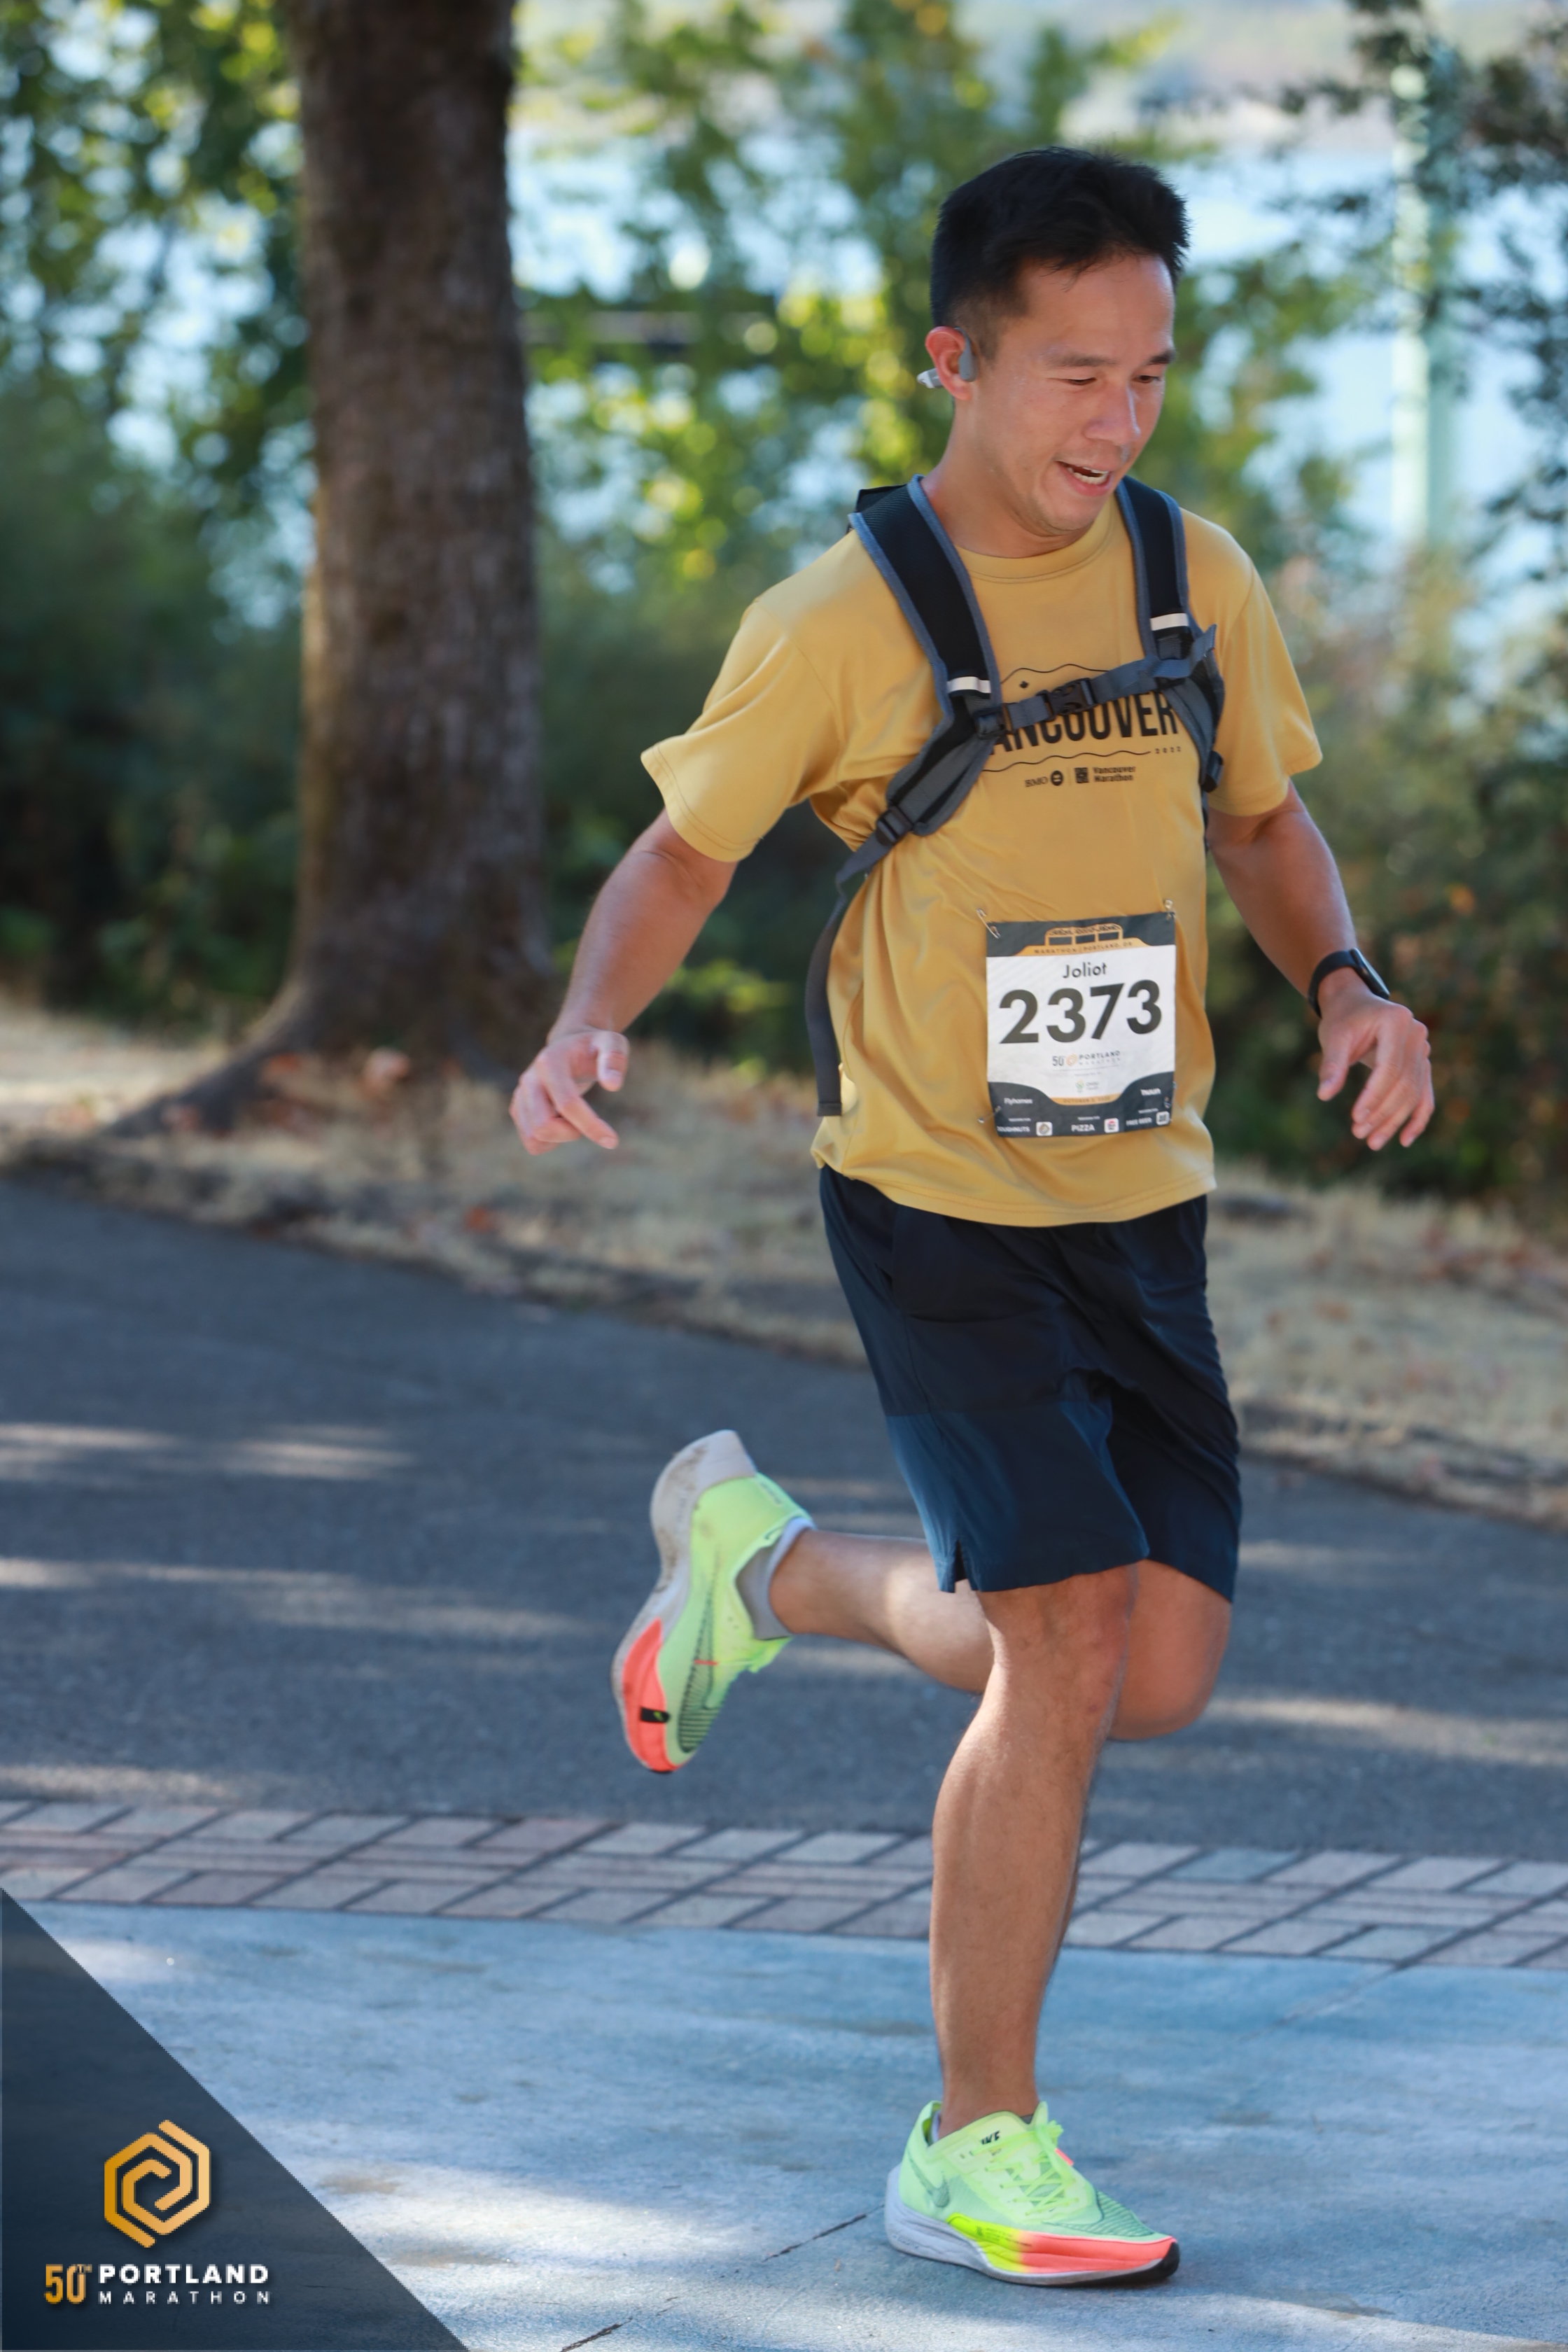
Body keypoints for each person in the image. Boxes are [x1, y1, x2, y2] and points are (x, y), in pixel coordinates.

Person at [511, 147, 1434, 2288]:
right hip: (933, 1198)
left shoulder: (1192, 577)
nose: (1118, 420)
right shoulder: (843, 619)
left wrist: (1348, 983)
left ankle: (768, 1566)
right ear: (958, 360)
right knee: (1068, 1635)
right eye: (1074, 376)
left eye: (1150, 375)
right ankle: (975, 2136)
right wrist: (585, 1022)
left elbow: (1265, 821)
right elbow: (684, 854)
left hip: (1142, 1196)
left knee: (1149, 1666)